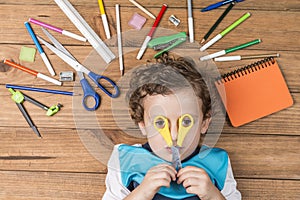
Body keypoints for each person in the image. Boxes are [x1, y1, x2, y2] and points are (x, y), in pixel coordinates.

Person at [103, 54, 241, 200]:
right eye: (161, 123)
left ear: (204, 124)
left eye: (186, 122)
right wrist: (141, 193)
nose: (174, 135)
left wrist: (213, 195)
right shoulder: (125, 159)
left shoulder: (217, 163)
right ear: (142, 125)